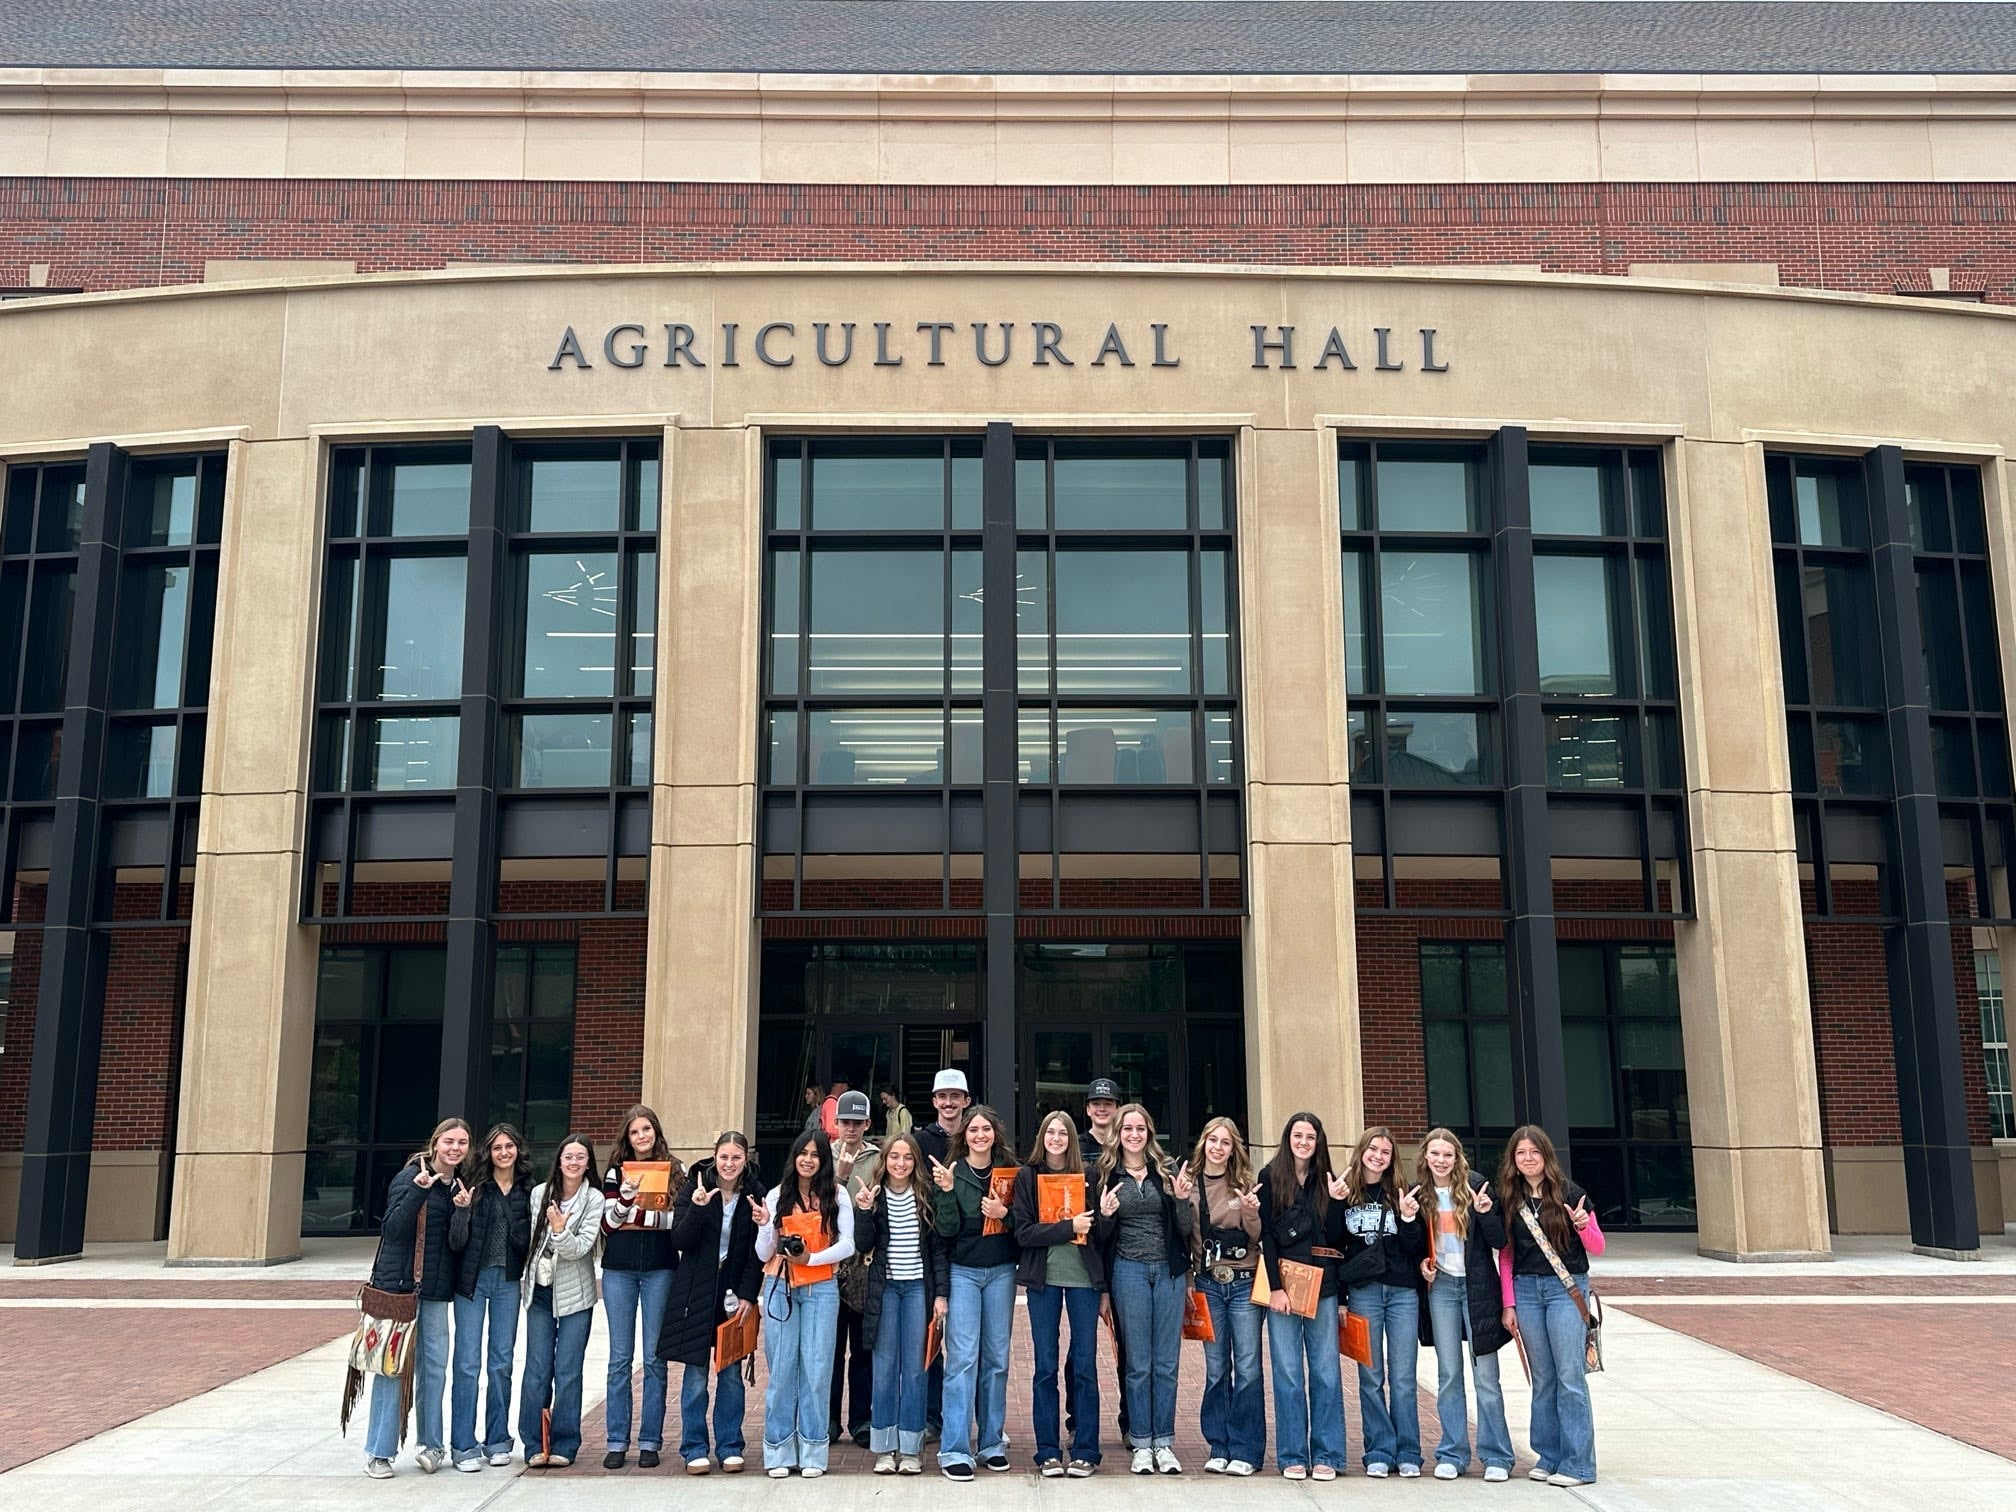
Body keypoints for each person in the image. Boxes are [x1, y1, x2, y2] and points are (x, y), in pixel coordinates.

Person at [361, 1117, 470, 1479]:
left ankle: (431, 1446)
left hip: (437, 1292)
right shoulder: (412, 1176)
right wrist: (420, 1190)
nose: (455, 1148)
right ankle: (379, 1452)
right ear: (436, 1142)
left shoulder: (461, 1185)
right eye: (449, 1141)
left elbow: (457, 1245)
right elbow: (392, 1230)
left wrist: (463, 1211)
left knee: (433, 1371)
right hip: (401, 1289)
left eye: (463, 1143)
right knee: (391, 1370)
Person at [1498, 1125, 1605, 1490]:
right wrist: (1508, 1304)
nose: (1527, 1159)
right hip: (1526, 1291)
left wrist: (1581, 1225)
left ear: (1546, 1155)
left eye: (1534, 1152)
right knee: (1542, 1378)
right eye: (1520, 1153)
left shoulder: (1570, 1194)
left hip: (1566, 1289)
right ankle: (1549, 1455)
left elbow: (1597, 1246)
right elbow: (1507, 1257)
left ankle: (1579, 1464)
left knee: (1569, 1378)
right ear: (1513, 1160)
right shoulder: (1509, 1198)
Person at [1091, 1103, 1194, 1476]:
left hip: (1167, 1273)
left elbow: (1184, 1231)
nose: (1134, 1135)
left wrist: (1182, 1200)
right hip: (1127, 1272)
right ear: (1117, 1133)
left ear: (1149, 1133)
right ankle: (1140, 1440)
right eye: (1127, 1129)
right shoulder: (1105, 1174)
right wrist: (1104, 1215)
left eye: (1140, 1129)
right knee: (1137, 1364)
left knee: (1166, 1362)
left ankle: (1163, 1442)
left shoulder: (1164, 1174)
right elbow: (1100, 1239)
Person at [657, 1130, 767, 1475]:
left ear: (745, 1159)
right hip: (695, 1291)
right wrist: (699, 1210)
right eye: (724, 1157)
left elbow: (757, 1253)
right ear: (714, 1157)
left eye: (736, 1157)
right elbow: (680, 1239)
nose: (729, 1164)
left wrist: (749, 1293)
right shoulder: (697, 1186)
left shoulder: (756, 1193)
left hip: (734, 1293)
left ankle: (730, 1445)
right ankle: (694, 1447)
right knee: (695, 1374)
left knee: (731, 1373)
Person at [755, 1130, 857, 1477]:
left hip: (821, 1288)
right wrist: (767, 1227)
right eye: (803, 1153)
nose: (808, 1159)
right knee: (782, 1370)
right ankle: (779, 1450)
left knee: (816, 1371)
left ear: (824, 1160)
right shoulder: (775, 1196)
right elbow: (762, 1253)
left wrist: (811, 1259)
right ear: (794, 1157)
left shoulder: (837, 1195)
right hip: (779, 1284)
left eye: (815, 1154)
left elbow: (848, 1245)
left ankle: (814, 1448)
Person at [1415, 1128, 1513, 1483]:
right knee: (1449, 1375)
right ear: (1425, 1156)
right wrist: (1421, 1264)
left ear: (1457, 1158)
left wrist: (1486, 1213)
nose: (1441, 1160)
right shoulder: (1419, 1193)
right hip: (1440, 1288)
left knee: (1486, 1376)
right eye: (1435, 1154)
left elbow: (1500, 1240)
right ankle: (1452, 1453)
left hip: (1477, 1289)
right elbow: (1414, 1245)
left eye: (1448, 1154)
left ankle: (1497, 1456)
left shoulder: (1476, 1187)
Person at [1332, 1124, 1427, 1479]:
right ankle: (1378, 1450)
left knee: (1403, 1377)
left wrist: (1406, 1218)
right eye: (1373, 1149)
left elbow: (1415, 1247)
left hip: (1402, 1292)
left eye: (1385, 1152)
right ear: (1362, 1151)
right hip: (1363, 1293)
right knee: (1370, 1377)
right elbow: (1336, 1247)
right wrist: (1342, 1298)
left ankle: (1408, 1452)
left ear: (1391, 1158)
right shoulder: (1347, 1192)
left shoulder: (1402, 1192)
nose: (1378, 1156)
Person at [930, 1102, 1018, 1480]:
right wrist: (948, 1192)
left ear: (994, 1133)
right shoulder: (954, 1173)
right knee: (962, 1359)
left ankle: (991, 1442)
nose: (979, 1135)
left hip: (1001, 1272)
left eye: (985, 1129)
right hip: (964, 1272)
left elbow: (1025, 1226)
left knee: (996, 1359)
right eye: (972, 1130)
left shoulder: (1011, 1174)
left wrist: (1005, 1215)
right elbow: (945, 1231)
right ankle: (954, 1448)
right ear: (963, 1136)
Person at [854, 1130, 949, 1475]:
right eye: (894, 1156)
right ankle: (884, 1448)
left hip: (917, 1290)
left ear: (916, 1161)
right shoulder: (874, 1196)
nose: (901, 1162)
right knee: (883, 1367)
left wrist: (941, 1295)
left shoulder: (926, 1195)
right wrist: (864, 1212)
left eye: (907, 1157)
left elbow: (938, 1249)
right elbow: (863, 1244)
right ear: (885, 1160)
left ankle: (910, 1448)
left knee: (915, 1369)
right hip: (887, 1289)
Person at [1013, 1110, 1103, 1477]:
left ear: (1071, 1139)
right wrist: (1069, 1227)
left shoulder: (1089, 1177)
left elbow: (1100, 1234)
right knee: (1045, 1366)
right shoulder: (1027, 1176)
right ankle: (1047, 1449)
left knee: (1084, 1365)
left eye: (1063, 1133)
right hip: (1043, 1280)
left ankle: (1085, 1449)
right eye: (1050, 1132)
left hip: (1084, 1280)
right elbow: (1024, 1234)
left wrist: (1107, 1215)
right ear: (1041, 1137)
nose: (1056, 1138)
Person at [1260, 1111, 1347, 1481]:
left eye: (1310, 1137)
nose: (1304, 1142)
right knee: (1288, 1373)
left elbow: (1335, 1238)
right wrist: (1275, 1289)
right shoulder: (1270, 1177)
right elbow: (1265, 1236)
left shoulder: (1327, 1179)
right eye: (1298, 1135)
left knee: (1326, 1371)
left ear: (1318, 1141)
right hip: (1283, 1285)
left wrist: (1338, 1202)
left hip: (1323, 1286)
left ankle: (1328, 1454)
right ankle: (1292, 1454)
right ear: (1287, 1138)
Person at [599, 1105, 683, 1469]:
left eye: (646, 1129)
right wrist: (628, 1201)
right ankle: (617, 1440)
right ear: (627, 1138)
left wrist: (632, 1214)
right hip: (618, 1270)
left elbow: (675, 1221)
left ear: (656, 1132)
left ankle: (650, 1441)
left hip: (660, 1270)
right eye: (635, 1132)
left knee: (654, 1359)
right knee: (619, 1359)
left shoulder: (673, 1170)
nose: (642, 1137)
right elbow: (608, 1223)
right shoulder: (616, 1173)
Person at [448, 1121, 531, 1472]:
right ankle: (463, 1445)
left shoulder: (529, 1189)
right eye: (497, 1148)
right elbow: (455, 1242)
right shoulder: (474, 1186)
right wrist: (463, 1210)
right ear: (488, 1152)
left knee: (501, 1363)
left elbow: (526, 1241)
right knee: (467, 1364)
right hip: (472, 1281)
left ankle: (498, 1440)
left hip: (508, 1283)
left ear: (517, 1150)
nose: (503, 1153)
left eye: (509, 1146)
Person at [520, 1134, 606, 1469]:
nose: (573, 1162)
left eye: (580, 1157)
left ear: (588, 1163)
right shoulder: (540, 1194)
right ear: (559, 1160)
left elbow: (580, 1248)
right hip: (540, 1291)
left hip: (576, 1295)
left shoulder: (594, 1199)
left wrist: (559, 1230)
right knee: (537, 1370)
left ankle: (565, 1444)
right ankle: (533, 1442)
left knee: (568, 1371)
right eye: (568, 1156)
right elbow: (533, 1241)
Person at [1186, 1115, 1265, 1477]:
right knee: (1217, 1367)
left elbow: (1258, 1235)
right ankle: (1219, 1444)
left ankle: (1246, 1449)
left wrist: (1249, 1212)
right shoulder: (1189, 1184)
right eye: (1212, 1140)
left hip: (1245, 1280)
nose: (1218, 1148)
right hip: (1208, 1284)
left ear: (1234, 1148)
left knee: (1248, 1367)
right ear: (1203, 1143)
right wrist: (1189, 1281)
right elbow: (1186, 1237)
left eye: (1225, 1142)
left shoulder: (1245, 1184)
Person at [914, 1066, 972, 1437]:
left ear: (966, 1100)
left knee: (969, 1343)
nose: (949, 1103)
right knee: (930, 1335)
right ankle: (933, 1416)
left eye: (956, 1097)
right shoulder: (919, 1141)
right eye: (942, 1097)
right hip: (927, 1245)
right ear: (934, 1101)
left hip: (969, 1247)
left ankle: (974, 1416)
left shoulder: (979, 1135)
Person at [829, 1089, 882, 1448]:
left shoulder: (878, 1159)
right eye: (845, 1122)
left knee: (864, 1351)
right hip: (829, 1265)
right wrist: (840, 1176)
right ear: (836, 1124)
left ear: (867, 1124)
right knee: (829, 1351)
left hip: (863, 1266)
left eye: (857, 1122)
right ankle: (829, 1420)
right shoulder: (818, 1153)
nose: (851, 1128)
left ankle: (862, 1419)